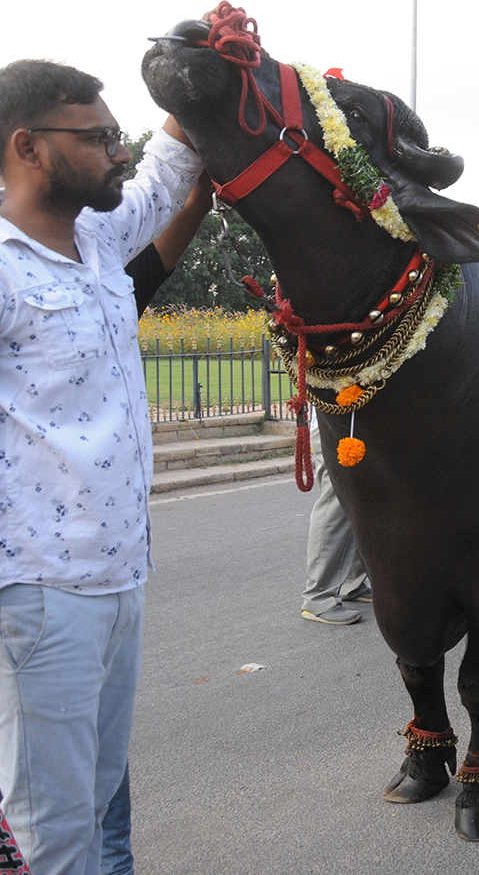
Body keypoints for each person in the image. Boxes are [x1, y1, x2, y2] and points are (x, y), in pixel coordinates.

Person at [0, 57, 202, 875]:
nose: (119, 153)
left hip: (119, 577)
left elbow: (170, 171)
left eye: (118, 136)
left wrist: (208, 72)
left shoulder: (96, 238)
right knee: (54, 833)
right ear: (29, 148)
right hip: (42, 591)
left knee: (94, 799)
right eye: (98, 138)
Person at [301, 410, 372, 625]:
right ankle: (318, 598)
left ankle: (353, 582)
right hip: (335, 424)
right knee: (336, 502)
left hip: (354, 425)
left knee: (359, 500)